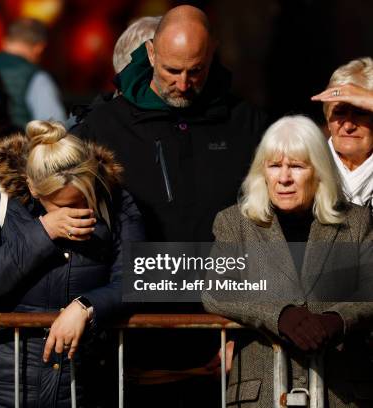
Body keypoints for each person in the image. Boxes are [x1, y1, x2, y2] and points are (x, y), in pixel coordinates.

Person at [75, 5, 268, 406]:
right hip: (127, 348)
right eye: (171, 71)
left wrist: (247, 335)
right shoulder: (101, 128)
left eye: (195, 71)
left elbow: (270, 233)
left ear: (213, 53)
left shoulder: (248, 125)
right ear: (149, 54)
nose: (183, 83)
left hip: (223, 347)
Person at [0, 120, 144, 407]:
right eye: (65, 205)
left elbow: (135, 278)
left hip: (79, 379)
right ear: (33, 188)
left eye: (84, 198)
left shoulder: (115, 200)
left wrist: (87, 306)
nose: (79, 211)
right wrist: (43, 232)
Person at [202, 115, 373, 406]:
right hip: (262, 393)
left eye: (296, 166)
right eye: (274, 166)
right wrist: (279, 315)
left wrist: (337, 320)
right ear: (262, 172)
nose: (284, 178)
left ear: (318, 171)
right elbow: (217, 290)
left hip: (339, 391)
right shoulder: (235, 223)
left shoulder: (356, 221)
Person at [311, 57, 373, 211]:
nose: (348, 125)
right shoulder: (303, 168)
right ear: (327, 119)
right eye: (339, 112)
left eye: (361, 112)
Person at [0, 18, 67, 127]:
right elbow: (55, 128)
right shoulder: (37, 77)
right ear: (39, 48)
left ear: (4, 41)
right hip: (21, 142)